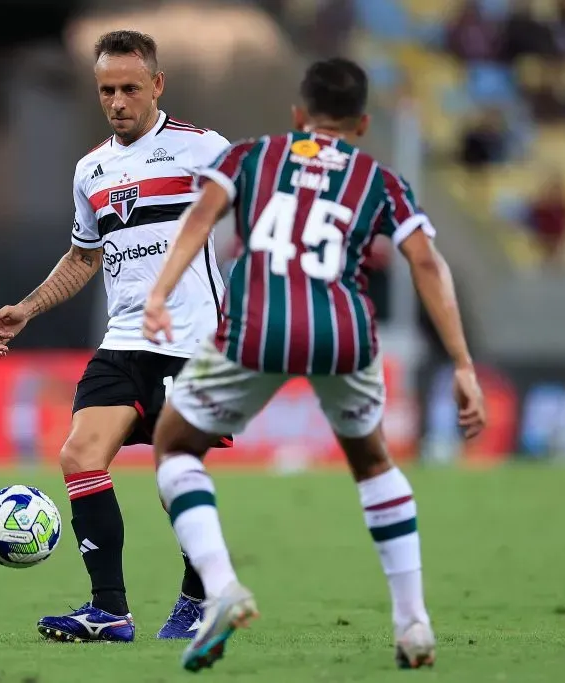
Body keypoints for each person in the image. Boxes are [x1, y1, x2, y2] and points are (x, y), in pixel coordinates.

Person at [141, 57, 487, 672]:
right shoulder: (379, 179)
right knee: (373, 462)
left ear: (298, 115)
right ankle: (413, 623)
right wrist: (462, 362)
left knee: (173, 445)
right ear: (361, 123)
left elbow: (199, 218)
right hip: (344, 333)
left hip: (257, 329)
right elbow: (427, 262)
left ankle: (222, 590)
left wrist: (161, 293)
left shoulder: (251, 157)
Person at [0, 30, 233, 643]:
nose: (117, 101)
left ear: (157, 85)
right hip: (124, 338)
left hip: (192, 340)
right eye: (105, 90)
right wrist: (28, 308)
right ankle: (110, 611)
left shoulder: (203, 150)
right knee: (78, 456)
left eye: (128, 87)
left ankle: (200, 599)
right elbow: (82, 257)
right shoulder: (91, 169)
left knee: (176, 472)